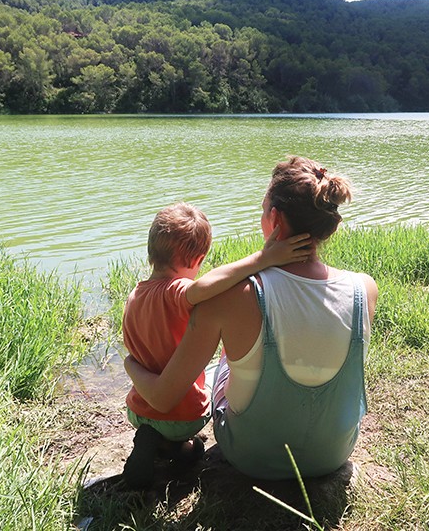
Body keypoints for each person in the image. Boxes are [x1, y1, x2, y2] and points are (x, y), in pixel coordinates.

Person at [125, 157, 379, 480]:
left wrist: (129, 365)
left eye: (262, 210)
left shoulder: (235, 297)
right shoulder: (364, 289)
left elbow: (161, 397)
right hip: (333, 453)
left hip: (252, 457)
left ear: (274, 219)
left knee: (224, 361)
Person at [121, 202, 310, 489]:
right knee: (214, 377)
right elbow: (202, 288)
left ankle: (154, 438)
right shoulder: (175, 292)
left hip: (138, 410)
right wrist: (263, 258)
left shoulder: (135, 295)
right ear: (197, 259)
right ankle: (181, 448)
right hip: (183, 417)